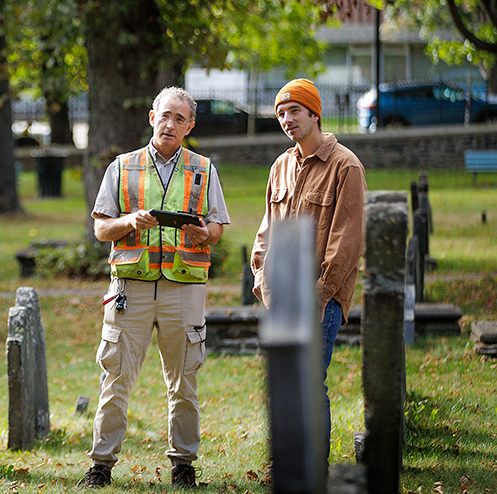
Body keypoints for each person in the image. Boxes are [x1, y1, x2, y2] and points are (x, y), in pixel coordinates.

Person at [81, 86, 230, 489]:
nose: (170, 124)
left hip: (184, 288)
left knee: (184, 381)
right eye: (165, 116)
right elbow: (100, 228)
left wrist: (204, 233)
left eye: (179, 119)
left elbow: (217, 228)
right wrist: (131, 222)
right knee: (115, 378)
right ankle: (101, 465)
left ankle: (183, 464)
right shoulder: (122, 167)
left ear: (190, 126)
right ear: (152, 118)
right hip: (131, 287)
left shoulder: (204, 169)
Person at [250, 78, 366, 462]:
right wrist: (261, 279)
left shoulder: (345, 166)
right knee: (286, 386)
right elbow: (266, 229)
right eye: (281, 114)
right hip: (280, 298)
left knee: (311, 384)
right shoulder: (280, 166)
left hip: (321, 300)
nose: (286, 119)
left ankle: (314, 468)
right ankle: (291, 467)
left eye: (294, 111)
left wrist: (320, 294)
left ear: (315, 113)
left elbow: (347, 240)